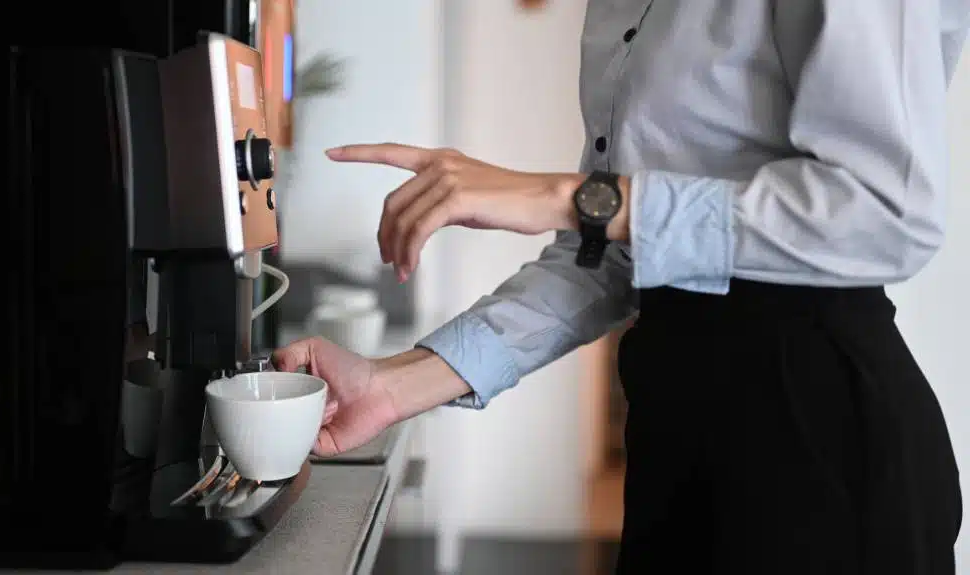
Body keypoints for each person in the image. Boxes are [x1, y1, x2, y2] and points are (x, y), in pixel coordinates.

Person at [274, 2, 968, 573]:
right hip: (677, 432)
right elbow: (607, 252)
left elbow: (886, 210)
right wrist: (392, 385)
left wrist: (570, 195)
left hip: (821, 439)